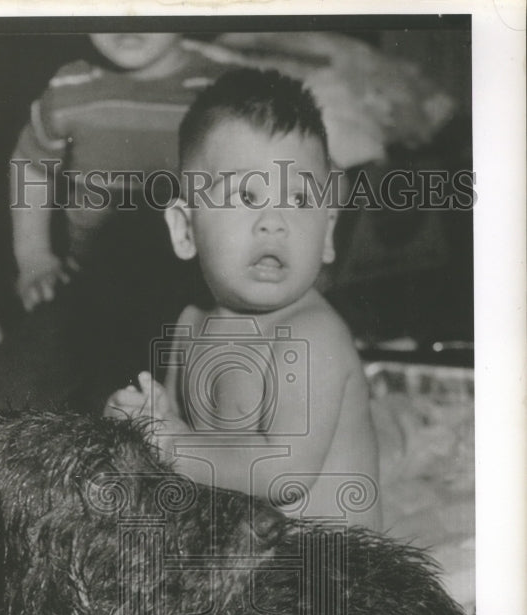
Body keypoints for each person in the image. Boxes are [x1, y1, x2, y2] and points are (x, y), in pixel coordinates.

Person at [104, 69, 381, 529]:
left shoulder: (314, 335)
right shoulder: (190, 325)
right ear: (185, 228)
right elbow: (185, 443)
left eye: (298, 199)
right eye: (245, 196)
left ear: (329, 230)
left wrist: (170, 447)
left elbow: (284, 474)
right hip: (240, 560)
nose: (273, 221)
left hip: (332, 573)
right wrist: (142, 424)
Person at [0, 33, 252, 421]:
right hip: (87, 291)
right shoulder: (72, 87)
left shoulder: (223, 86)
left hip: (185, 299)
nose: (128, 20)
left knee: (166, 406)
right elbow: (31, 165)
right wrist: (33, 256)